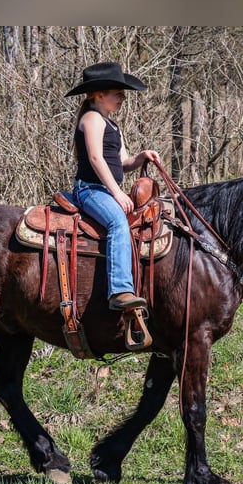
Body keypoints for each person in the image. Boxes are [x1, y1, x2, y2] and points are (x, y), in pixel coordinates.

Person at [65, 61, 161, 311]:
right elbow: (96, 158)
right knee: (118, 222)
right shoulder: (92, 118)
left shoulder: (112, 125)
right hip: (90, 190)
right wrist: (117, 193)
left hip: (105, 190)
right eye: (117, 93)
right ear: (99, 94)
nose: (122, 98)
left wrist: (140, 158)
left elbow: (121, 162)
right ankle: (119, 290)